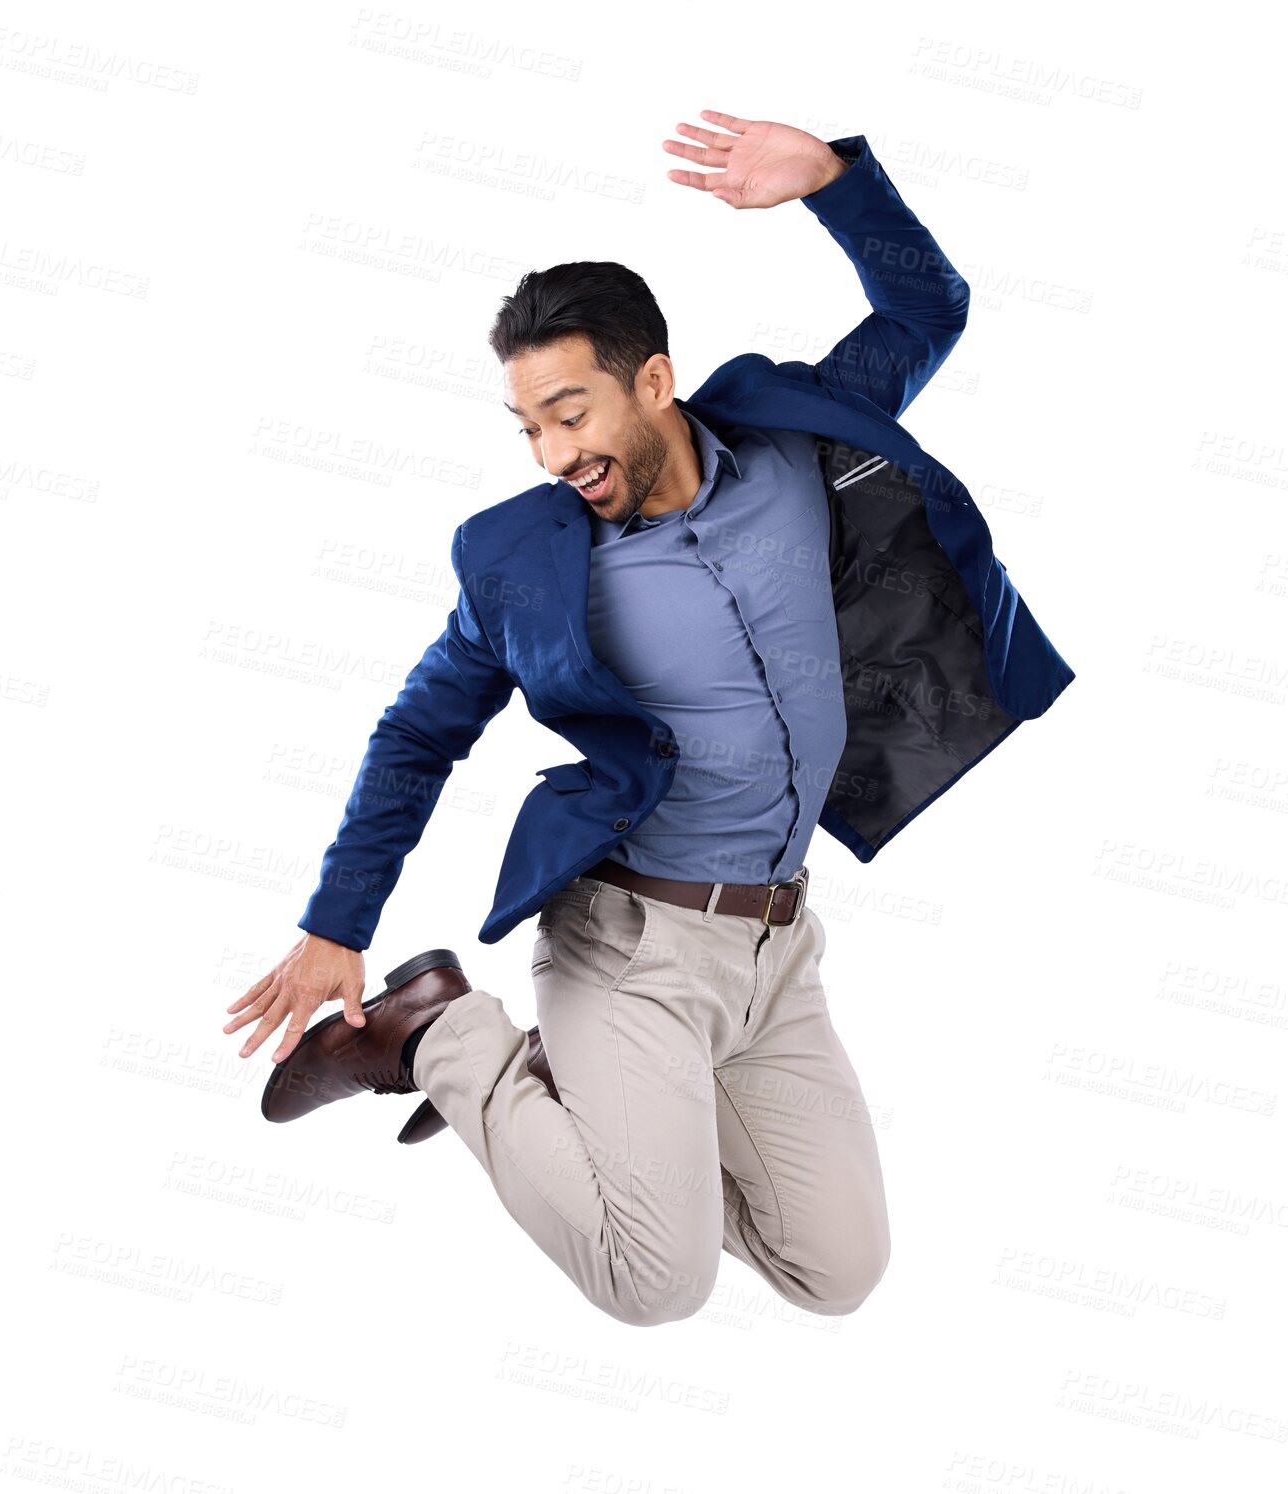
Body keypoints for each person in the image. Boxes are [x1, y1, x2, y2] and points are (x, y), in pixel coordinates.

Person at [224, 110, 1074, 1327]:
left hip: (778, 949)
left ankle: (630, 1144)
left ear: (655, 382)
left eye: (571, 412)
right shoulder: (528, 566)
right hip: (632, 949)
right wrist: (333, 922)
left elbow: (929, 309)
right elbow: (419, 732)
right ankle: (438, 1037)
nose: (551, 451)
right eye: (527, 427)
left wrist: (834, 182)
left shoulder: (790, 440)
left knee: (838, 1271)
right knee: (652, 1278)